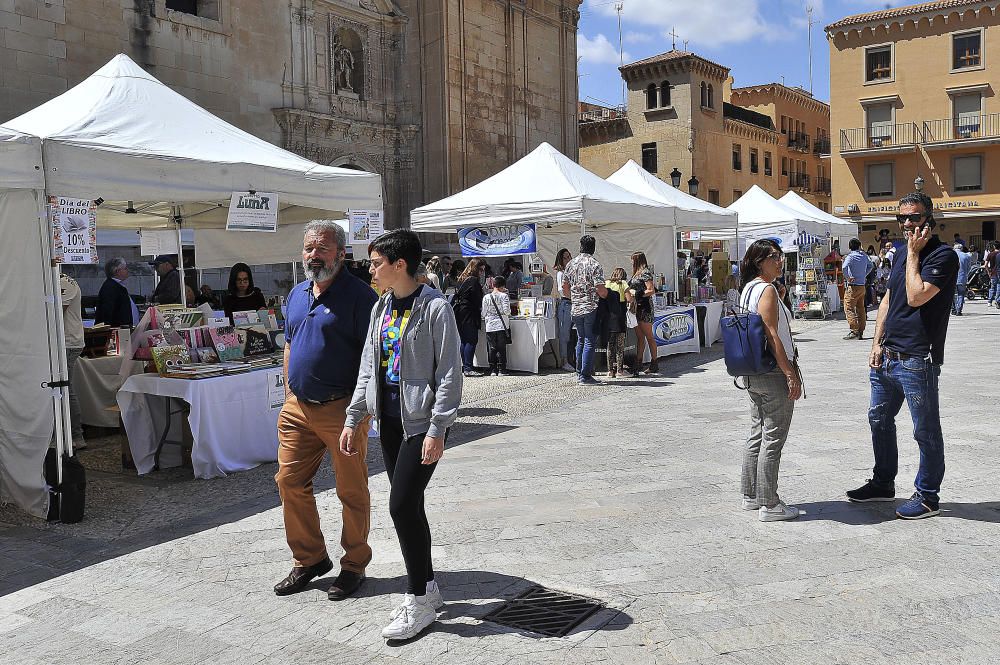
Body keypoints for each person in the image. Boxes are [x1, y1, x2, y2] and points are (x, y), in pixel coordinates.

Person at [340, 229, 462, 641]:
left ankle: (417, 598)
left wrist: (438, 428)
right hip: (390, 423)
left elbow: (449, 372)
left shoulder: (434, 308)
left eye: (376, 263)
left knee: (399, 506)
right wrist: (353, 416)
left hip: (420, 425)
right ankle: (428, 587)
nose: (370, 269)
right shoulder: (381, 308)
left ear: (399, 265)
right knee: (410, 507)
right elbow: (366, 368)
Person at [272, 220, 378, 600]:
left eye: (322, 248)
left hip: (342, 410)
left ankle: (354, 564)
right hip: (298, 409)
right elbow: (289, 344)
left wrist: (359, 410)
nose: (313, 256)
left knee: (351, 490)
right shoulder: (298, 293)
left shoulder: (361, 297)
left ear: (342, 253)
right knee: (289, 482)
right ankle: (310, 558)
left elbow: (373, 359)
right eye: (308, 249)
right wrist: (289, 392)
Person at [846, 192, 959, 520]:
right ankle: (883, 483)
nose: (907, 223)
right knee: (878, 418)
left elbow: (914, 295)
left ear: (929, 219)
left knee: (925, 429)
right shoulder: (898, 254)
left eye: (914, 217)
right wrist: (876, 343)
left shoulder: (943, 256)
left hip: (917, 358)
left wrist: (912, 254)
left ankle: (927, 496)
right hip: (888, 355)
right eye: (902, 218)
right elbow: (888, 300)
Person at [738, 239, 802, 522]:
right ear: (759, 261)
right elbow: (772, 334)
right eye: (774, 257)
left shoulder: (749, 288)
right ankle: (770, 503)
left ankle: (751, 495)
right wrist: (789, 372)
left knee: (757, 432)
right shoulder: (765, 290)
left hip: (752, 370)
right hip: (772, 370)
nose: (780, 261)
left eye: (780, 256)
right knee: (773, 437)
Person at [564, 235, 607, 385]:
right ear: (593, 247)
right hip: (590, 307)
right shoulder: (594, 264)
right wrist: (607, 295)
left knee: (580, 340)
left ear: (580, 246)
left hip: (575, 307)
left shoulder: (570, 264)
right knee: (589, 340)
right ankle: (585, 376)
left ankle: (579, 372)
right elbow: (601, 290)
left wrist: (575, 297)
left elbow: (564, 289)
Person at [60, 272, 86, 451]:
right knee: (64, 387)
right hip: (64, 341)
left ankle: (76, 435)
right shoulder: (61, 279)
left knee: (65, 388)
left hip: (68, 342)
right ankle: (71, 434)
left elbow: (56, 312)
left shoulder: (63, 281)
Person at [451, 258, 486, 377]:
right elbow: (477, 299)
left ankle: (465, 365)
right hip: (469, 313)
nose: (482, 272)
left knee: (464, 340)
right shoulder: (473, 280)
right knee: (471, 339)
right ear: (476, 268)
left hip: (459, 312)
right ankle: (468, 367)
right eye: (481, 269)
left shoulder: (462, 278)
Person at [629, 251, 657, 375]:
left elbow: (651, 290)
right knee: (640, 336)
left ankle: (654, 362)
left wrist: (637, 293)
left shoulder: (645, 272)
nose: (631, 262)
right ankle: (638, 362)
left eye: (633, 260)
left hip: (645, 307)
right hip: (637, 307)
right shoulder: (636, 273)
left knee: (649, 336)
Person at [842, 239, 872, 340]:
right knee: (861, 309)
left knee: (849, 308)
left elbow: (844, 267)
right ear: (859, 246)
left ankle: (854, 330)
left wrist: (848, 277)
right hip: (862, 286)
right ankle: (861, 330)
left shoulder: (850, 256)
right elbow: (871, 266)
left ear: (850, 247)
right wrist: (864, 275)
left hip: (853, 285)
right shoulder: (864, 255)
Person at [95, 257, 138, 327]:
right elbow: (107, 312)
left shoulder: (117, 286)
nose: (127, 270)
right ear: (117, 271)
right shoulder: (110, 287)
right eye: (125, 268)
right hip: (117, 330)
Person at [603, 268, 630, 379]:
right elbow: (629, 298)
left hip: (608, 317)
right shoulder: (623, 283)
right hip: (619, 317)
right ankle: (620, 370)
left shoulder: (607, 283)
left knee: (610, 346)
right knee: (619, 346)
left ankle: (610, 371)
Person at [482, 275, 511, 376]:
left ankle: (492, 369)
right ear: (503, 286)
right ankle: (502, 369)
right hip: (501, 325)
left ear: (493, 285)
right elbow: (507, 311)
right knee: (501, 348)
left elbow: (483, 313)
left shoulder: (486, 297)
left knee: (492, 348)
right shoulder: (504, 296)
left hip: (490, 325)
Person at [553, 248, 575, 372]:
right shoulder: (561, 273)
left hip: (572, 303)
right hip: (566, 303)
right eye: (565, 257)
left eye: (569, 256)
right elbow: (562, 291)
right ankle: (565, 360)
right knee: (565, 334)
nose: (568, 259)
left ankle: (571, 359)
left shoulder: (571, 271)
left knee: (574, 334)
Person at [952, 243, 972, 316]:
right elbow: (969, 267)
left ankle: (953, 309)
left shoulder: (951, 254)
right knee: (961, 294)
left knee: (952, 294)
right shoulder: (966, 256)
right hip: (962, 277)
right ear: (961, 248)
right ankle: (959, 310)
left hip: (952, 278)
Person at [985, 241, 1000, 308]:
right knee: (998, 287)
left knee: (992, 288)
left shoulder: (990, 254)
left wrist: (988, 272)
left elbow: (985, 265)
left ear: (994, 246)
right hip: (999, 272)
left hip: (992, 272)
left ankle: (989, 302)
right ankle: (997, 301)